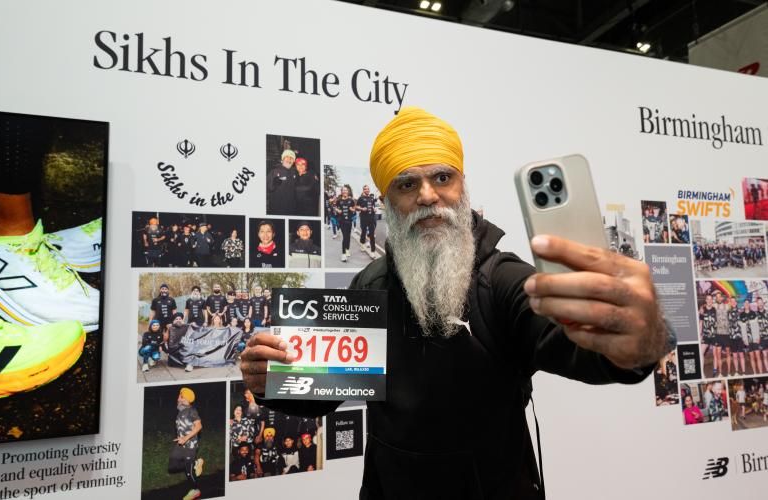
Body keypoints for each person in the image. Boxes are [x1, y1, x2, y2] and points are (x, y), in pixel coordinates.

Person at [241, 107, 672, 499]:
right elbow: (321, 390)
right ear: (386, 202)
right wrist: (269, 381)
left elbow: (586, 348)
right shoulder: (368, 286)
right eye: (407, 184)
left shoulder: (503, 278)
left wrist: (635, 342)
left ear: (462, 186)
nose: (428, 195)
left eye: (442, 178)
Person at [168, 387, 204, 500]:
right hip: (180, 444)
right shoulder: (181, 411)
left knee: (189, 472)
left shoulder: (191, 411)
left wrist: (186, 438)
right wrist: (181, 438)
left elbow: (199, 426)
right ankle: (195, 464)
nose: (178, 397)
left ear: (184, 398)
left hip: (190, 445)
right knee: (172, 467)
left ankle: (195, 490)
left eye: (180, 395)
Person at [268, 149, 298, 216]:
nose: (289, 159)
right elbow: (269, 188)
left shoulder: (295, 172)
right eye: (287, 157)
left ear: (293, 161)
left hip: (291, 209)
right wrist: (275, 183)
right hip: (278, 209)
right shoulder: (274, 171)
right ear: (283, 159)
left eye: (291, 158)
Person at [334, 185, 356, 263]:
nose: (344, 191)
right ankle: (343, 254)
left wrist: (352, 209)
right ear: (342, 192)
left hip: (349, 221)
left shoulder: (351, 200)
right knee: (345, 236)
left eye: (346, 190)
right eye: (343, 190)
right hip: (342, 221)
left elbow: (354, 208)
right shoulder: (339, 200)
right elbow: (335, 207)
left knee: (348, 236)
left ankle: (347, 249)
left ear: (348, 191)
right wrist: (337, 210)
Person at [357, 184, 380, 258]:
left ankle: (373, 251)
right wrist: (362, 209)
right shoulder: (361, 198)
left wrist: (374, 209)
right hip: (364, 218)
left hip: (371, 218)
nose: (367, 190)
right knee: (363, 232)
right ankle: (362, 244)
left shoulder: (371, 198)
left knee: (372, 235)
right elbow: (356, 207)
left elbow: (373, 206)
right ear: (363, 190)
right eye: (365, 189)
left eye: (368, 189)